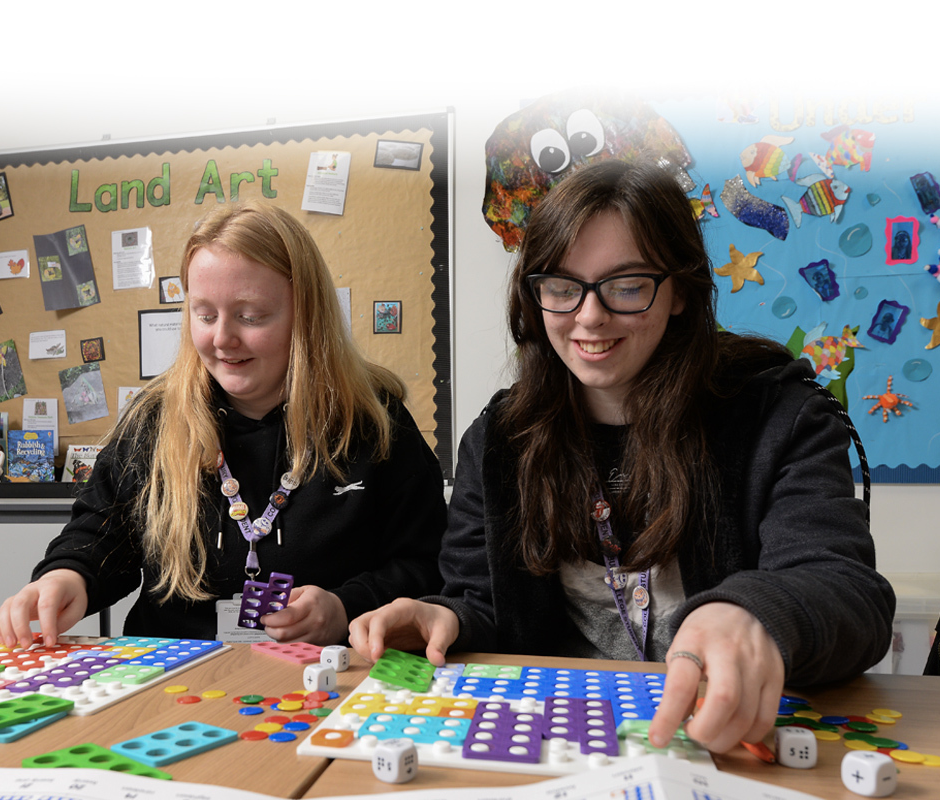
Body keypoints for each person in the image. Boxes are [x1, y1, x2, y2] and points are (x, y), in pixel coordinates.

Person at [349, 160, 895, 755]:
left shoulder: (779, 416)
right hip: (560, 744)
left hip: (729, 745)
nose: (589, 316)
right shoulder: (501, 439)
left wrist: (752, 614)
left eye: (627, 285)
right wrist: (444, 616)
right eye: (562, 286)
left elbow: (849, 595)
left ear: (681, 289)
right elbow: (485, 602)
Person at [0, 202, 446, 650]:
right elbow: (101, 532)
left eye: (251, 317)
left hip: (322, 678)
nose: (221, 339)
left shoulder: (374, 419)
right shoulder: (155, 419)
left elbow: (425, 562)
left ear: (306, 315)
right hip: (172, 673)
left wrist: (345, 607)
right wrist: (67, 575)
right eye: (204, 315)